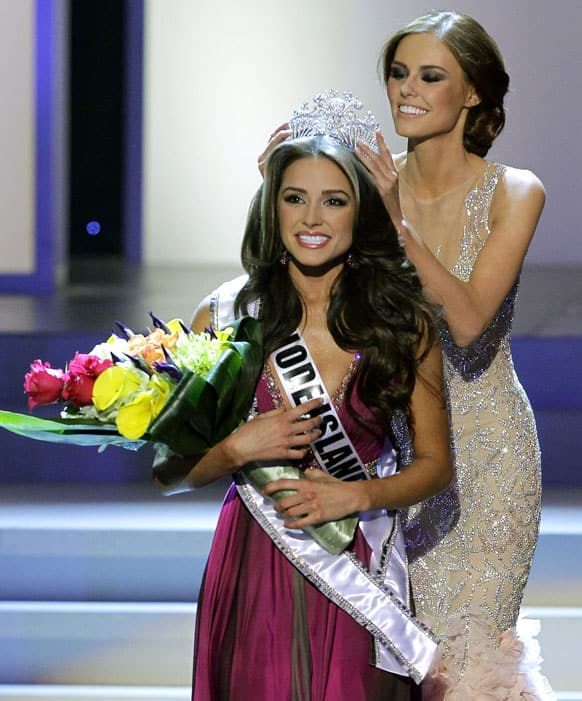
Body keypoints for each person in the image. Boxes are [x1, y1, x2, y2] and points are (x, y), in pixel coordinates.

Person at [155, 93, 453, 700]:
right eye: (294, 198)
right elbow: (170, 473)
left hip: (356, 567)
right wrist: (239, 446)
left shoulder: (403, 321)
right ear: (273, 207)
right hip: (253, 564)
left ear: (359, 212)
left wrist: (354, 491)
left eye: (333, 200)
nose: (311, 219)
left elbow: (436, 466)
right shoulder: (227, 315)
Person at [350, 10, 553, 699]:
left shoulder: (516, 191)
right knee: (400, 672)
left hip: (490, 468)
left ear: (472, 94)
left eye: (430, 76)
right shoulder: (367, 184)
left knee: (464, 674)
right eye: (398, 73)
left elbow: (468, 320)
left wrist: (394, 222)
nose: (407, 89)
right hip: (396, 458)